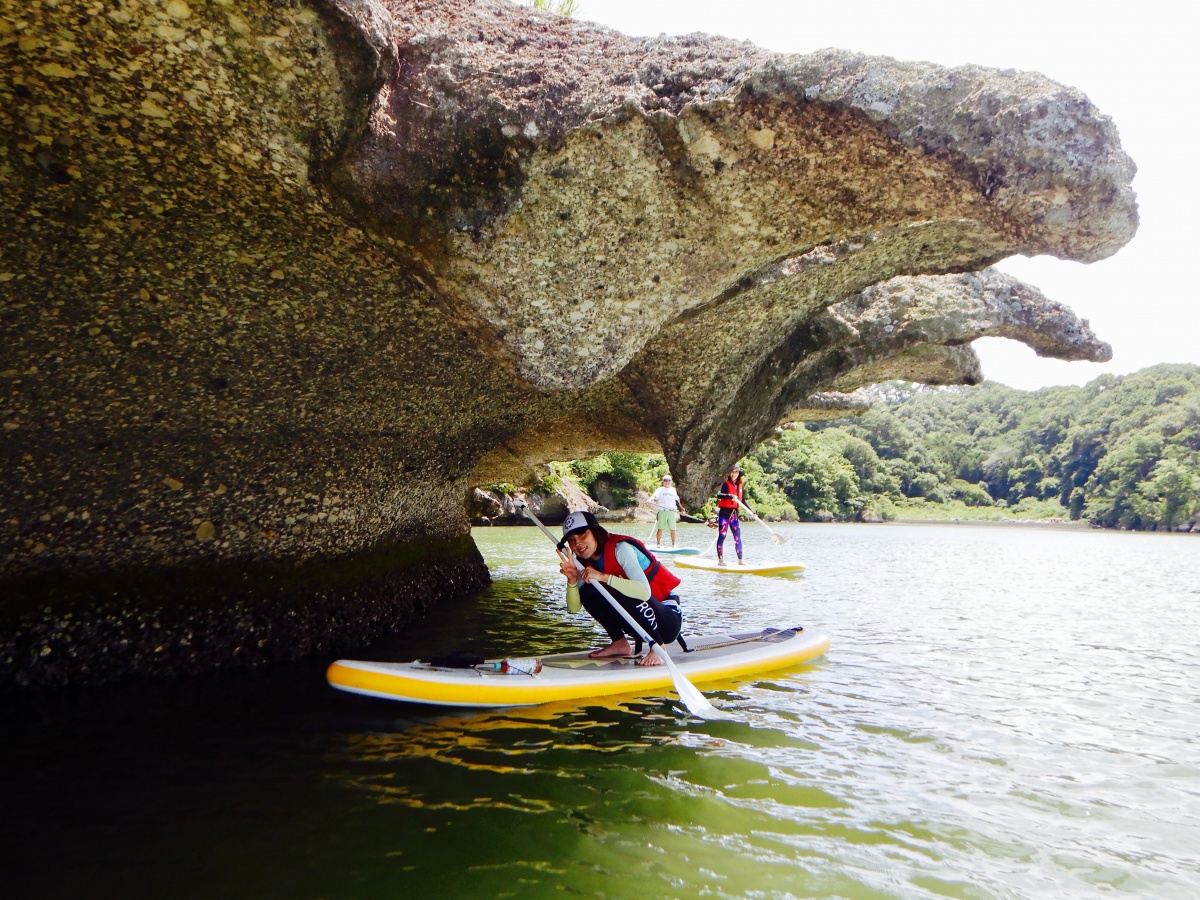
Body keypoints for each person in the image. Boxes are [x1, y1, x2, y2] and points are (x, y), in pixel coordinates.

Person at [555, 510, 684, 667]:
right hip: (637, 625)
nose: (578, 543)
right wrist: (572, 580)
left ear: (595, 532)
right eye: (571, 540)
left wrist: (603, 576)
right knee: (588, 592)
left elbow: (644, 592)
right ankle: (620, 643)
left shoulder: (621, 549)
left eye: (582, 534)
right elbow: (574, 608)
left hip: (667, 620)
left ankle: (658, 647)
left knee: (623, 589)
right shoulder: (583, 566)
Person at [715, 464, 746, 565]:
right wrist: (730, 496)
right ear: (729, 473)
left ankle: (740, 561)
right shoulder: (725, 484)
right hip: (724, 513)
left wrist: (753, 512)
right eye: (732, 472)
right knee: (722, 536)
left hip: (734, 515)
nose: (734, 474)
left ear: (738, 473)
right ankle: (720, 561)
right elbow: (719, 494)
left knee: (737, 537)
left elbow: (743, 501)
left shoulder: (739, 485)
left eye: (736, 472)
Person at [649, 474, 687, 547]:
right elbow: (654, 496)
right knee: (660, 529)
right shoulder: (660, 490)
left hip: (671, 512)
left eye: (669, 480)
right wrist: (649, 499)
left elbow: (677, 500)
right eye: (665, 480)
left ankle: (673, 544)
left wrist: (682, 509)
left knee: (673, 529)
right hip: (662, 511)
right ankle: (658, 544)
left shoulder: (673, 490)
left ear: (671, 481)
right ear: (663, 482)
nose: (667, 482)